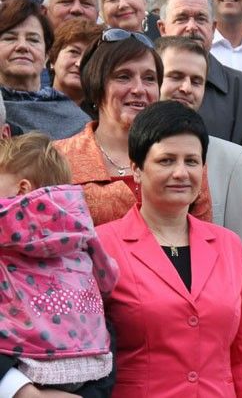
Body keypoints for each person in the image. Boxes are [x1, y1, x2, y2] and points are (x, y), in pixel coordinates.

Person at [96, 101, 242, 397]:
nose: (181, 173)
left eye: (191, 161)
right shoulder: (103, 246)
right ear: (137, 169)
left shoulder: (228, 245)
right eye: (166, 161)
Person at [53, 28, 211, 226]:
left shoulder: (184, 157)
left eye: (149, 78)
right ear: (96, 84)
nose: (139, 89)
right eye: (123, 76)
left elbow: (204, 236)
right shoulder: (58, 159)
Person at [0, 132, 118, 397]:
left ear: (22, 189)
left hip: (26, 360)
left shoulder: (5, 218)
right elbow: (108, 277)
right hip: (89, 362)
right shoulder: (80, 223)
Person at [156, 35, 242, 250]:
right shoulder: (122, 151)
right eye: (175, 76)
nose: (186, 88)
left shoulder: (234, 161)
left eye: (196, 81)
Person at [157, 0, 242, 143]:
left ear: (213, 29)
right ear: (162, 28)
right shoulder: (139, 86)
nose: (192, 27)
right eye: (182, 18)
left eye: (201, 19)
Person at [0, 0, 90, 139]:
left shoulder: (77, 122)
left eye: (33, 40)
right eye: (10, 38)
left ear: (47, 55)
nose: (22, 46)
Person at [47, 17, 104, 104]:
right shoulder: (30, 105)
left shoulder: (107, 111)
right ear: (53, 59)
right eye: (74, 52)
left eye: (90, 56)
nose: (80, 63)